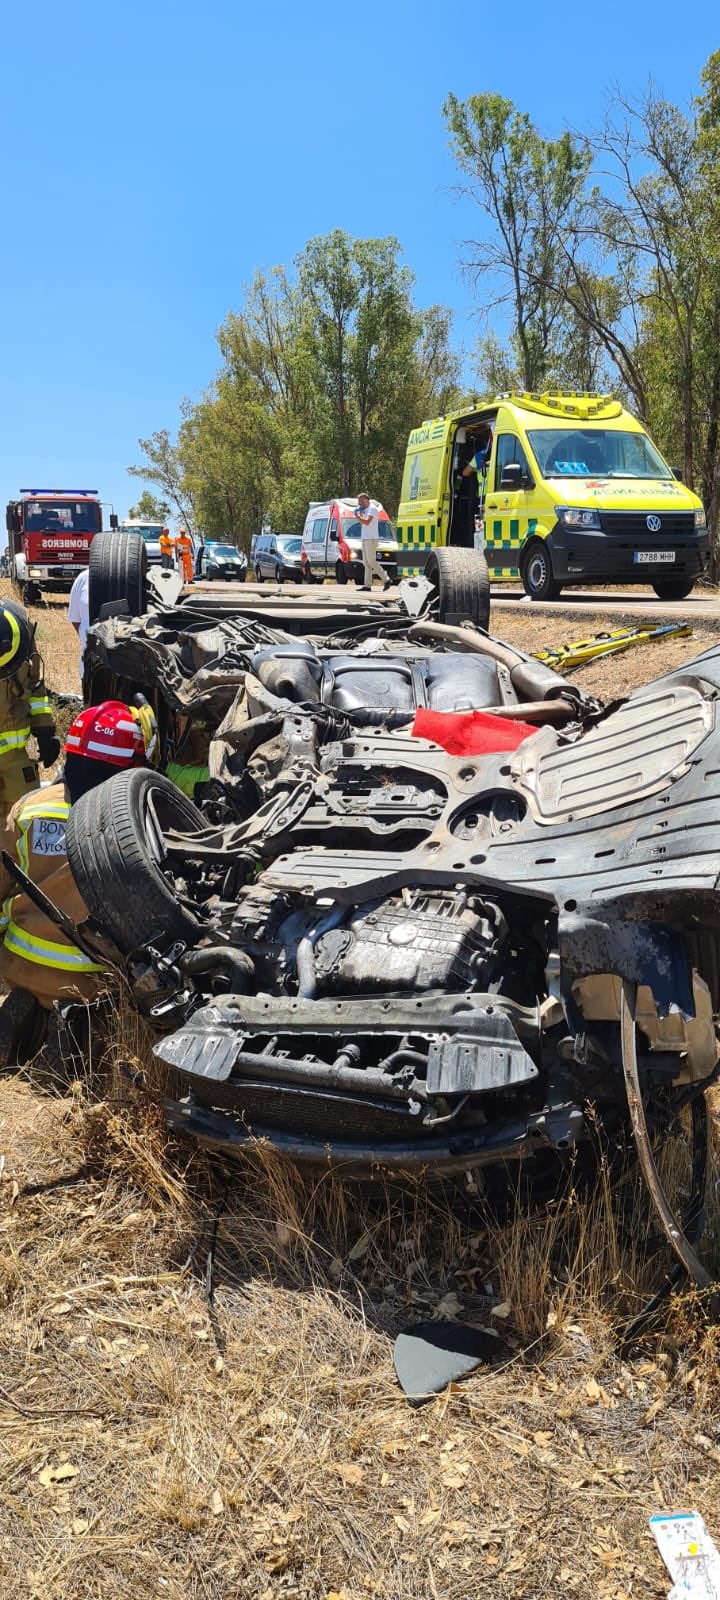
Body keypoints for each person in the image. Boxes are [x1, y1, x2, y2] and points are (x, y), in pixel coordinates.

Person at [0, 700, 147, 1072]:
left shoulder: (30, 806)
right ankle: (74, 1025)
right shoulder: (137, 824)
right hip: (89, 979)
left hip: (18, 961)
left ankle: (32, 1005)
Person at [0, 600, 59, 825]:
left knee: (26, 825)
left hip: (17, 759)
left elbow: (34, 685)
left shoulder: (18, 625)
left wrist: (44, 729)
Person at [355, 492, 392, 591]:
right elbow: (363, 522)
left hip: (371, 539)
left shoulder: (372, 509)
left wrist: (357, 516)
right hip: (365, 538)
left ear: (366, 500)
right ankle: (367, 585)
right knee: (366, 563)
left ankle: (386, 579)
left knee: (371, 561)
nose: (359, 503)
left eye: (360, 500)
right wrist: (360, 514)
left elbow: (367, 522)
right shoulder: (365, 509)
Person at [67, 565, 90, 680]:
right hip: (90, 665)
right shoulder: (83, 579)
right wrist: (86, 639)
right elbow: (75, 619)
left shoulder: (131, 576)